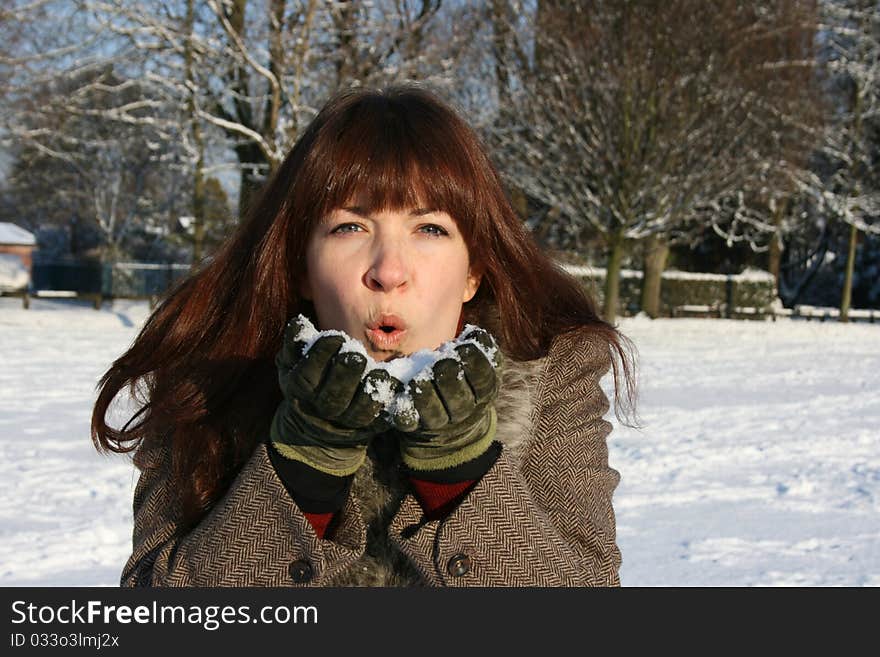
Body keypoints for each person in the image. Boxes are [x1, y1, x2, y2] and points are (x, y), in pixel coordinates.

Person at [91, 84, 637, 587]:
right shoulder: (210, 377)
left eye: (430, 229)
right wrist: (303, 464)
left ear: (474, 272)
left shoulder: (550, 373)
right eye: (350, 227)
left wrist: (461, 473)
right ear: (302, 264)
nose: (389, 271)